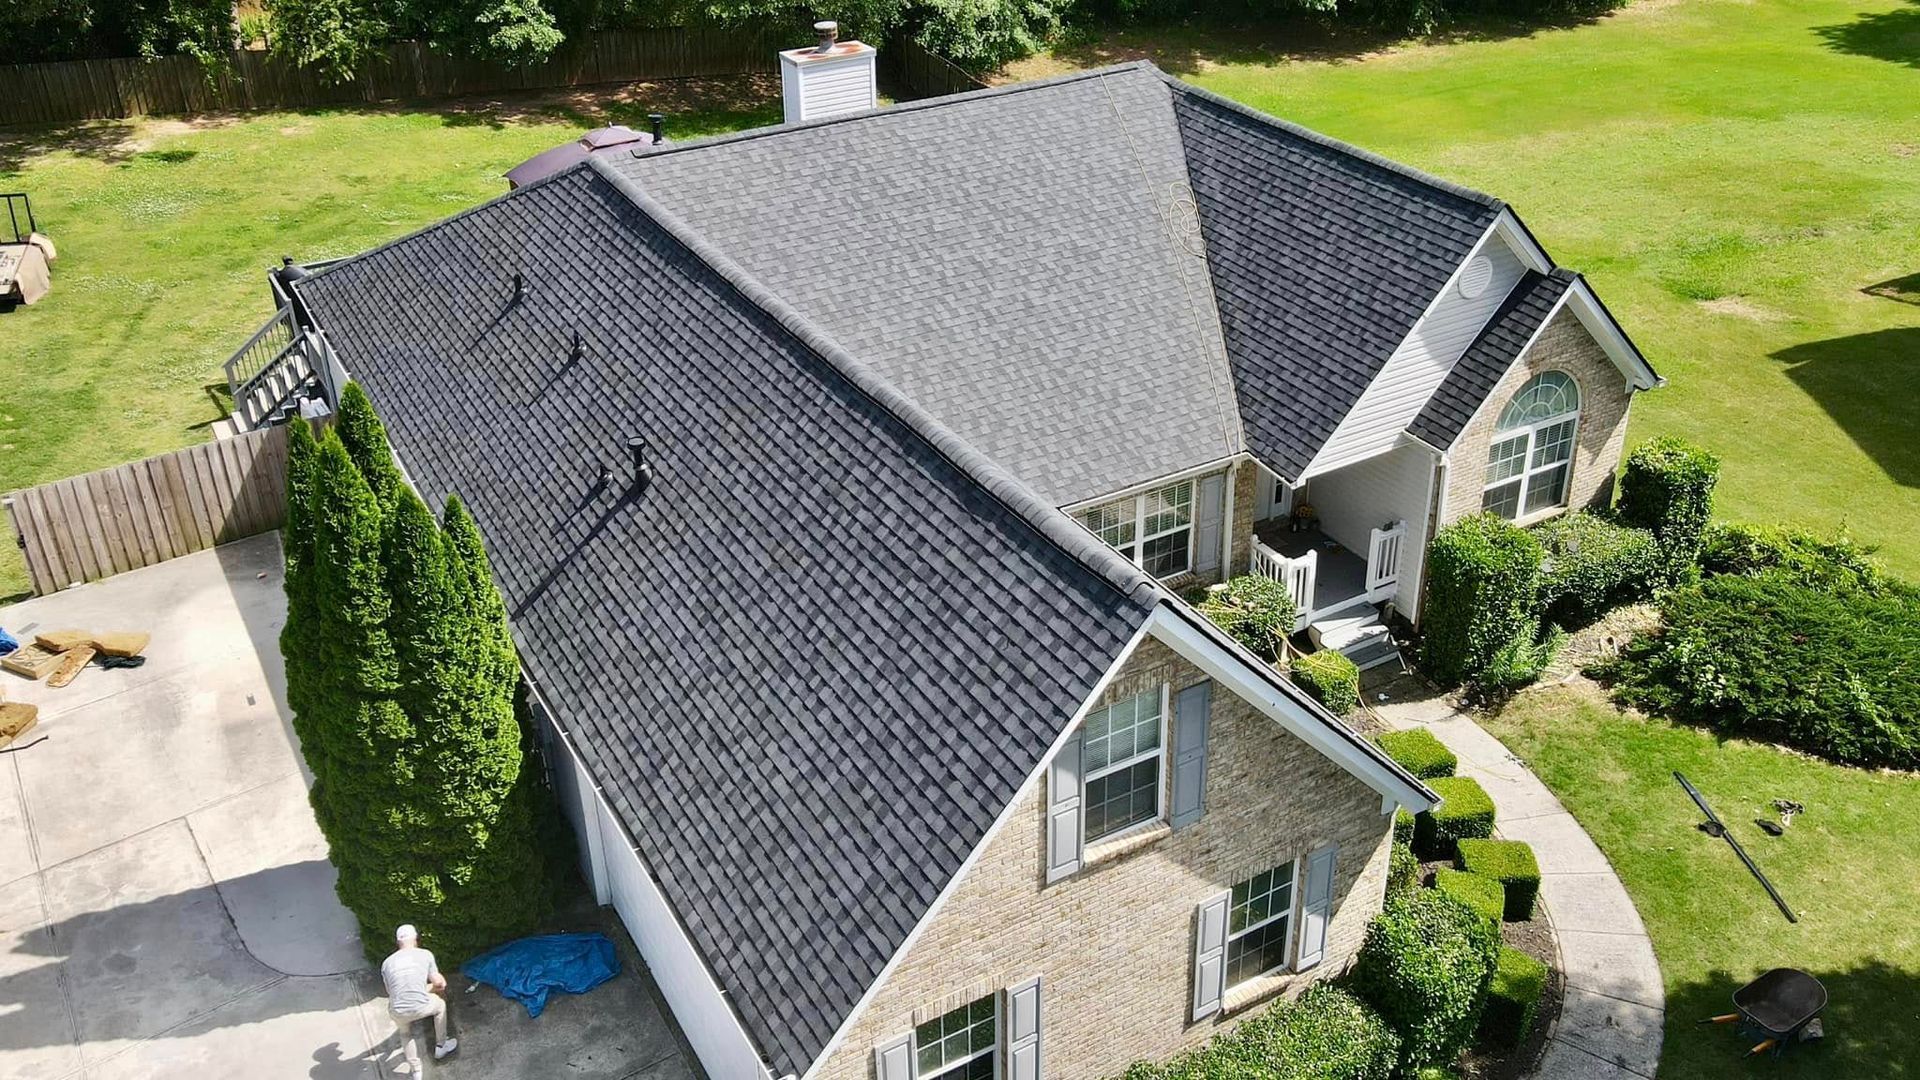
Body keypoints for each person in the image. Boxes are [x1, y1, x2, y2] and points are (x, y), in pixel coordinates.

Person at [382, 924, 458, 1073]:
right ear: (415, 938)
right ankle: (441, 1045)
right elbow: (439, 983)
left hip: (398, 1010)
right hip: (421, 1007)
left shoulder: (386, 963)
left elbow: (391, 992)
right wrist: (439, 984)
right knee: (440, 1006)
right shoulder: (425, 954)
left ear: (398, 942)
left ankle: (416, 1069)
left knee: (405, 1033)